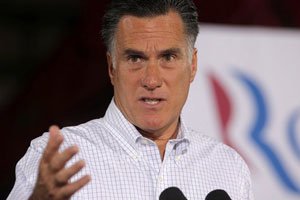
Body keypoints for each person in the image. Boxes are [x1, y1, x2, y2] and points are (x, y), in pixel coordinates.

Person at [8, 0, 254, 199]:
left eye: (168, 57)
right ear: (111, 67)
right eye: (135, 59)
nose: (152, 80)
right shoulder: (57, 161)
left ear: (192, 65)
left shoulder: (227, 166)